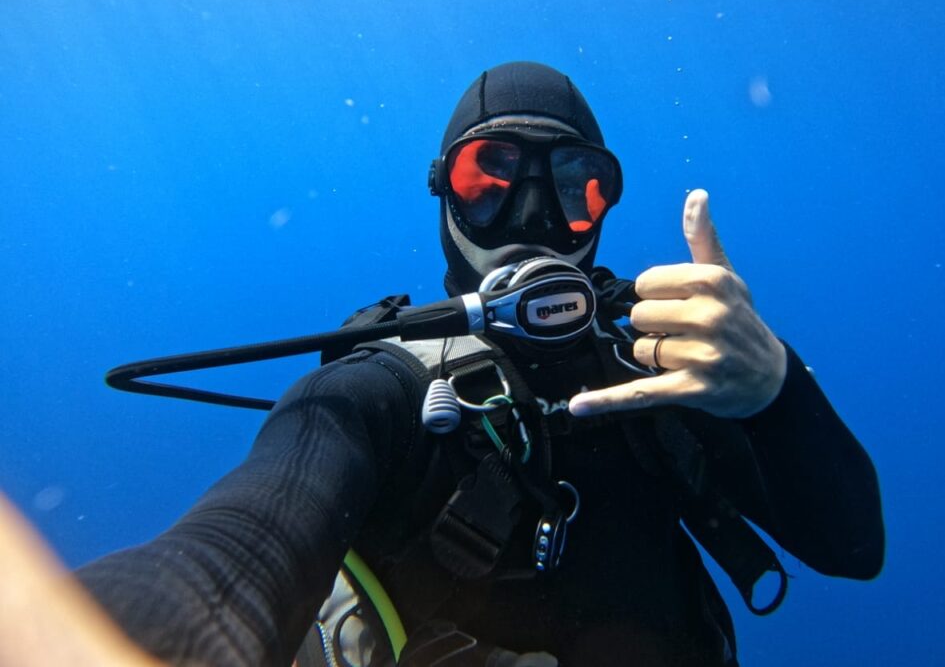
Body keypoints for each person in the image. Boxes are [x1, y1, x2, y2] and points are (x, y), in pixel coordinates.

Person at [75, 61, 884, 667]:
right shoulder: (384, 380)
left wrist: (776, 389)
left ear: (604, 205)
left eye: (574, 186)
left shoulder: (663, 380)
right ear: (444, 195)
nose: (531, 215)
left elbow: (854, 546)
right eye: (488, 179)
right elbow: (233, 551)